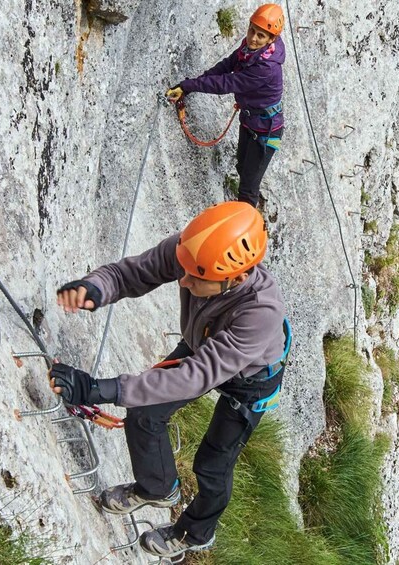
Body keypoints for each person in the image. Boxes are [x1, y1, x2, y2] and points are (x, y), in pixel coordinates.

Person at [50, 201, 290, 558]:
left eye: (197, 278)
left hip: (250, 380)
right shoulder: (193, 252)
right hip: (203, 345)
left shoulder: (260, 313)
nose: (183, 280)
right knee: (144, 413)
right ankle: (157, 488)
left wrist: (101, 389)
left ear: (236, 278)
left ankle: (196, 533)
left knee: (212, 464)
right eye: (186, 270)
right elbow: (131, 274)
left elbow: (195, 377)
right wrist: (94, 288)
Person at [166, 4, 286, 208]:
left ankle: (245, 229)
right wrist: (195, 82)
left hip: (266, 131)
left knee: (248, 187)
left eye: (261, 36)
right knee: (242, 167)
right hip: (250, 122)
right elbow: (228, 64)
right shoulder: (250, 50)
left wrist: (189, 85)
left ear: (271, 39)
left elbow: (227, 83)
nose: (253, 38)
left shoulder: (266, 68)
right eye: (252, 31)